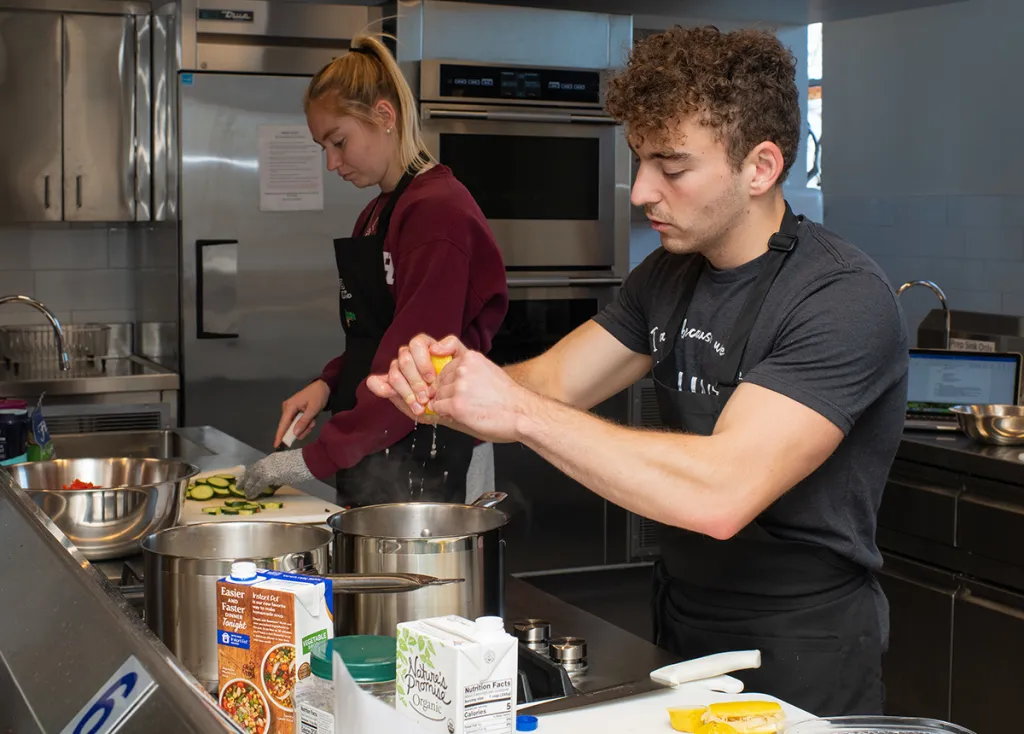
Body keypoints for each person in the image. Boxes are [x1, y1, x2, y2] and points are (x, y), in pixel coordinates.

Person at [367, 26, 909, 716]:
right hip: (682, 611)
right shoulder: (671, 273)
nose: (641, 192)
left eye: (672, 167)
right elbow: (555, 383)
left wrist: (516, 413)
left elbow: (721, 494)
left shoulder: (840, 297)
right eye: (638, 160)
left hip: (805, 637)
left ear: (760, 167)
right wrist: (446, 385)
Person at [239, 34, 508, 506]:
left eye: (338, 142)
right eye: (324, 146)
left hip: (434, 444)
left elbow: (417, 366)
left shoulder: (437, 213)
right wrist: (328, 383)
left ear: (384, 117)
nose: (331, 163)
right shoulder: (380, 211)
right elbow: (382, 335)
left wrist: (310, 459)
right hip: (379, 439)